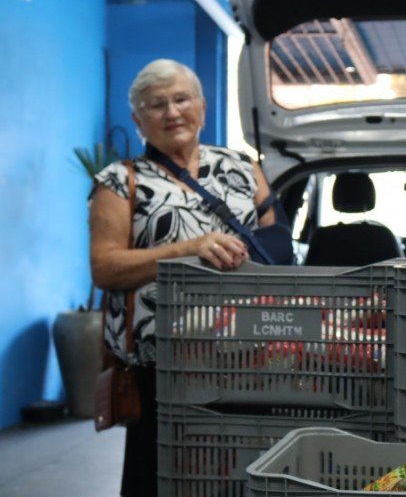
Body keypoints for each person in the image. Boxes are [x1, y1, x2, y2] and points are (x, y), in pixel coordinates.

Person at [89, 58, 279, 496]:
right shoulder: (120, 180)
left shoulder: (242, 166)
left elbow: (278, 242)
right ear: (138, 120)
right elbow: (105, 267)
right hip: (164, 365)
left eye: (181, 99)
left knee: (243, 472)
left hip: (249, 358)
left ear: (203, 107)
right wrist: (187, 249)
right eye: (157, 105)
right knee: (161, 475)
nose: (172, 112)